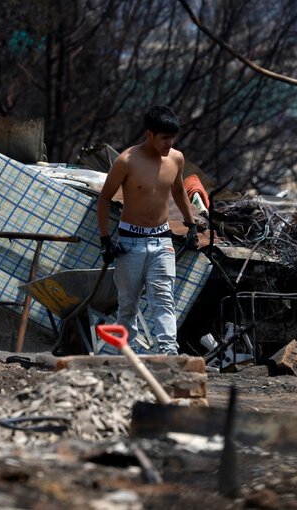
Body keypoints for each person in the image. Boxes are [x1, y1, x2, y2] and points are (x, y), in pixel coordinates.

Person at [96, 105, 198, 355]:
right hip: (130, 242)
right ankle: (127, 353)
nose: (169, 143)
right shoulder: (126, 161)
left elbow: (178, 190)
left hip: (161, 240)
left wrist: (192, 224)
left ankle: (168, 351)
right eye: (164, 137)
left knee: (163, 298)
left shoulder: (176, 158)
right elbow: (104, 199)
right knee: (128, 303)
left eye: (172, 137)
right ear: (149, 134)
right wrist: (105, 240)